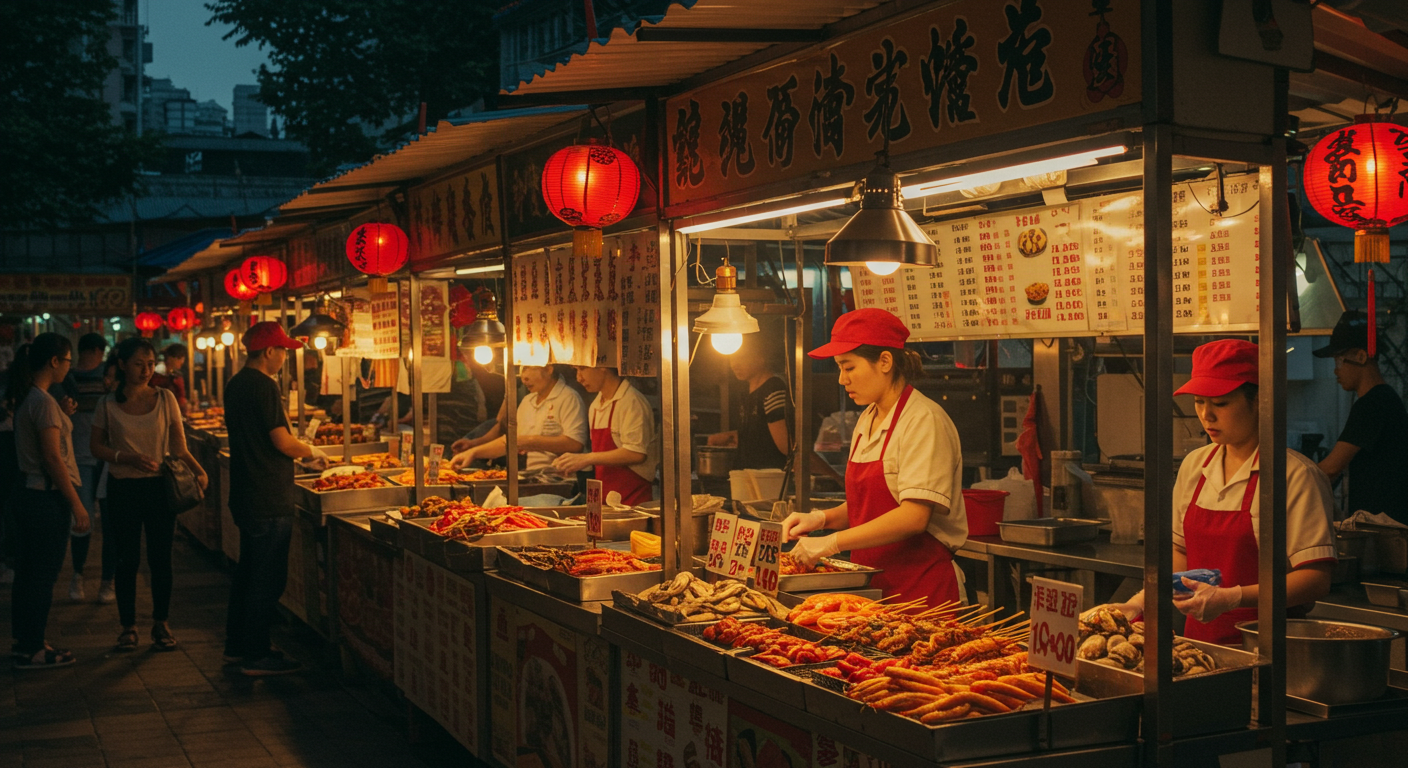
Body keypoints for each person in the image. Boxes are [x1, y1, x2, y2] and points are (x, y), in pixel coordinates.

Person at [1105, 340, 1337, 645]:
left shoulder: (1295, 475)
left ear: (1258, 401)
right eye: (1200, 402)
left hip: (1270, 648)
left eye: (1221, 403)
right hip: (1199, 646)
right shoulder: (1195, 465)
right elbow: (1180, 552)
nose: (1206, 415)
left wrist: (1232, 598)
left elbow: (1316, 579)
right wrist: (1140, 602)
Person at [780, 309, 967, 609]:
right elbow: (867, 507)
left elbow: (913, 517)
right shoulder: (868, 418)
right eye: (840, 368)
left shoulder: (923, 420)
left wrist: (831, 542)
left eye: (849, 367)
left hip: (921, 591)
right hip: (871, 591)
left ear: (884, 361)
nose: (842, 379)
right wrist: (820, 519)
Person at [223, 322, 328, 676]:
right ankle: (256, 654)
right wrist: (312, 451)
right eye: (282, 350)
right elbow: (283, 442)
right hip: (267, 495)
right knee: (266, 578)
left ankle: (238, 646)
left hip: (246, 493)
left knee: (248, 574)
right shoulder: (264, 386)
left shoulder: (236, 383)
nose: (285, 357)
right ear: (269, 352)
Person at [90, 338, 208, 651]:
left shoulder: (165, 397)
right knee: (127, 558)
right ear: (123, 365)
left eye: (149, 363)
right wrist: (126, 457)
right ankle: (128, 626)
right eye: (138, 363)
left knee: (161, 558)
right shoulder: (108, 404)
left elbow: (179, 446)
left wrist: (198, 470)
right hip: (123, 488)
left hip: (159, 487)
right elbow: (96, 447)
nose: (145, 370)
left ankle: (161, 622)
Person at [7, 334, 87, 669]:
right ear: (54, 361)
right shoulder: (41, 402)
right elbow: (53, 459)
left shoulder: (35, 399)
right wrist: (77, 505)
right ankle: (33, 650)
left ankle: (28, 642)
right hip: (45, 499)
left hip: (30, 496)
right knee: (41, 576)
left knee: (29, 574)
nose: (70, 366)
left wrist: (62, 412)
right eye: (67, 360)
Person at [1313, 310, 1408, 524]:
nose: (1336, 371)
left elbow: (1330, 469)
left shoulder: (1373, 403)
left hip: (1385, 531)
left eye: (1339, 360)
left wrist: (1287, 488)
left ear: (1361, 356)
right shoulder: (1385, 399)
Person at [450, 365, 586, 472]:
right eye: (521, 369)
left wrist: (529, 441)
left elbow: (575, 443)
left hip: (559, 478)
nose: (523, 377)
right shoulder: (528, 400)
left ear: (549, 369)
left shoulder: (568, 398)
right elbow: (509, 441)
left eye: (527, 368)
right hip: (531, 475)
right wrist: (473, 452)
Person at [553, 367, 658, 506]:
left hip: (632, 500)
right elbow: (601, 455)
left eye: (582, 369)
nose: (579, 378)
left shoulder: (631, 401)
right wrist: (574, 464)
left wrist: (586, 458)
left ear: (603, 367)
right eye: (576, 371)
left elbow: (636, 453)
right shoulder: (596, 405)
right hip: (605, 498)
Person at [61, 333, 108, 601]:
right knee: (83, 520)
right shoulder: (69, 380)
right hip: (84, 460)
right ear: (98, 351)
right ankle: (85, 578)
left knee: (94, 521)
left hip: (94, 458)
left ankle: (92, 580)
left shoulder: (71, 378)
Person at [150, 343, 190, 416]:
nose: (182, 361)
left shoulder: (175, 374)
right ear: (170, 358)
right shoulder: (158, 372)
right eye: (179, 358)